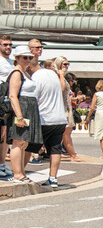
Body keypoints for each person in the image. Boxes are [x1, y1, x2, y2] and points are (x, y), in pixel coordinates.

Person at [6, 46, 43, 183]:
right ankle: (17, 174)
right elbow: (12, 96)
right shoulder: (16, 73)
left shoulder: (25, 72)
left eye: (29, 57)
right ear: (17, 58)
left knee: (24, 142)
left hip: (29, 108)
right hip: (22, 108)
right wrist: (19, 116)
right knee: (18, 140)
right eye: (24, 57)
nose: (27, 60)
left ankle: (21, 172)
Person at [32, 56, 68, 188]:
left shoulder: (37, 76)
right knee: (55, 149)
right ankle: (53, 178)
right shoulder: (55, 76)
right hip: (59, 119)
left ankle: (21, 174)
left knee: (27, 148)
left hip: (44, 118)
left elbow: (33, 98)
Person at [54, 63, 82, 162]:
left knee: (65, 133)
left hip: (67, 109)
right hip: (64, 109)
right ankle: (72, 155)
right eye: (65, 64)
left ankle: (70, 153)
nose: (67, 66)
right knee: (66, 133)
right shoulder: (61, 79)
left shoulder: (62, 79)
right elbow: (62, 91)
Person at [84, 80, 103, 159]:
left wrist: (88, 117)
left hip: (101, 113)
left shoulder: (97, 94)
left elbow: (92, 107)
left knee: (101, 135)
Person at [0, 34, 14, 178]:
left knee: (5, 135)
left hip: (7, 101)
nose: (8, 47)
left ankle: (2, 163)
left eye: (10, 44)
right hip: (1, 98)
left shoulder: (10, 61)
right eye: (5, 44)